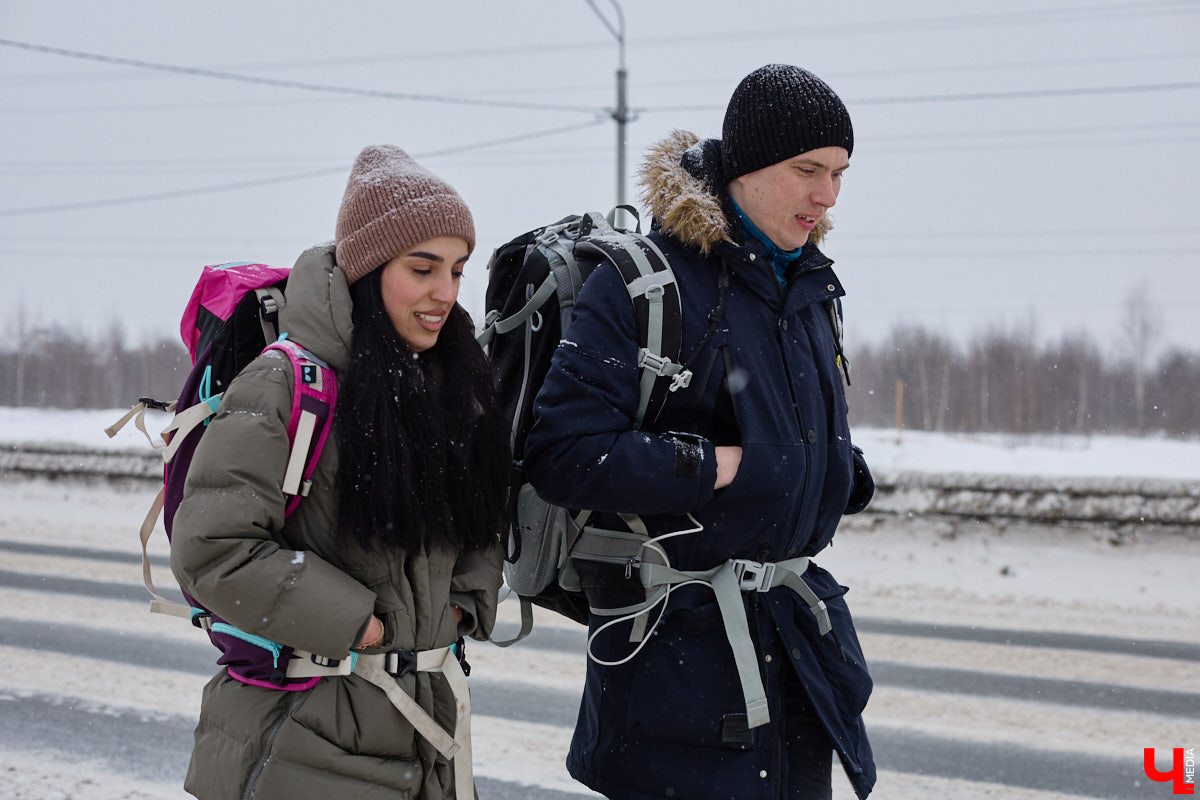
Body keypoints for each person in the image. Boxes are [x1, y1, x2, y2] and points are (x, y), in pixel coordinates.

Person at [523, 65, 877, 800]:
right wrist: (709, 467)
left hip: (796, 660)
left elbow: (782, 435)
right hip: (676, 675)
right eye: (808, 170)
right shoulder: (644, 285)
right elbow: (560, 453)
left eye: (840, 173)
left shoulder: (811, 288)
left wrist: (835, 469)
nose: (828, 195)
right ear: (745, 167)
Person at [170, 145, 510, 800]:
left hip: (422, 723)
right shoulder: (285, 382)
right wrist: (362, 625)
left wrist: (461, 607)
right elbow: (211, 549)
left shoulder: (450, 380)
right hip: (302, 737)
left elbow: (478, 517)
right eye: (422, 268)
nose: (445, 293)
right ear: (369, 267)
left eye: (458, 270)